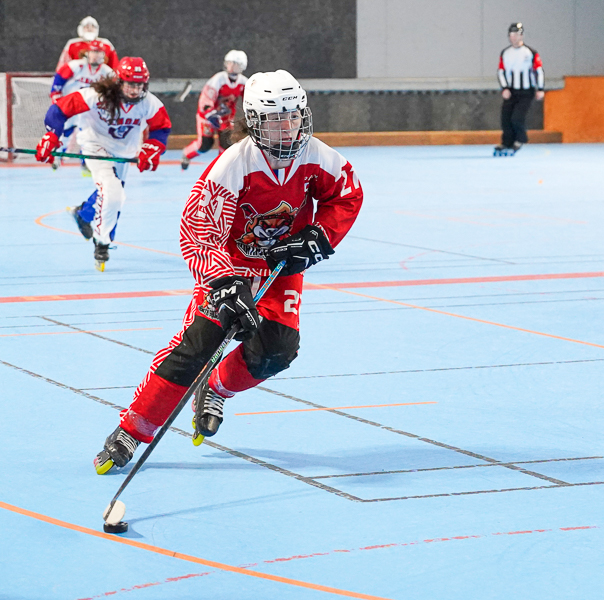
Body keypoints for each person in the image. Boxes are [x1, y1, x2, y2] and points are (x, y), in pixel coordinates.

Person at [93, 70, 364, 474]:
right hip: (230, 266)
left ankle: (216, 386)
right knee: (197, 346)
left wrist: (319, 236)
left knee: (277, 351)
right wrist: (223, 281)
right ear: (255, 122)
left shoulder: (318, 157)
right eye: (276, 119)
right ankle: (133, 428)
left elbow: (347, 194)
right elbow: (197, 230)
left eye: (294, 116)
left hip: (280, 268)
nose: (288, 128)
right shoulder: (233, 165)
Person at [35, 57, 172, 271]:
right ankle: (102, 242)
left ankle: (83, 214)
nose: (135, 90)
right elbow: (59, 110)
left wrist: (152, 148)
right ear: (119, 81)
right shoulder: (95, 95)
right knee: (113, 192)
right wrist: (52, 135)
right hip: (95, 146)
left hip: (123, 152)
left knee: (111, 195)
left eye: (139, 85)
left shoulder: (149, 103)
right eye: (130, 84)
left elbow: (161, 128)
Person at [49, 39, 115, 165]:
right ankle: (58, 155)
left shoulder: (108, 73)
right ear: (87, 53)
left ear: (103, 55)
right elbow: (59, 79)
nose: (95, 55)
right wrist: (56, 97)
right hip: (71, 105)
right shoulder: (75, 66)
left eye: (98, 52)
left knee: (89, 134)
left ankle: (86, 160)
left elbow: (113, 92)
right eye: (93, 52)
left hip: (90, 109)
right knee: (65, 130)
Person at [181, 50, 249, 170]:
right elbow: (206, 98)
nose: (231, 67)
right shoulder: (219, 79)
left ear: (242, 66)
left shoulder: (244, 82)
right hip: (207, 116)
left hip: (226, 118)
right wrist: (210, 113)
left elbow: (249, 99)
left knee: (227, 144)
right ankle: (187, 154)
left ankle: (222, 168)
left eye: (235, 64)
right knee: (205, 144)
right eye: (229, 63)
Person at [494, 23, 544, 156]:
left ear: (521, 36)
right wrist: (505, 88)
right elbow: (501, 71)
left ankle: (520, 139)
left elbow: (539, 71)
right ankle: (507, 142)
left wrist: (540, 88)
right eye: (511, 35)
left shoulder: (530, 52)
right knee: (505, 118)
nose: (513, 37)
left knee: (517, 117)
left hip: (526, 91)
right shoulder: (506, 53)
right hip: (511, 91)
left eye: (516, 34)